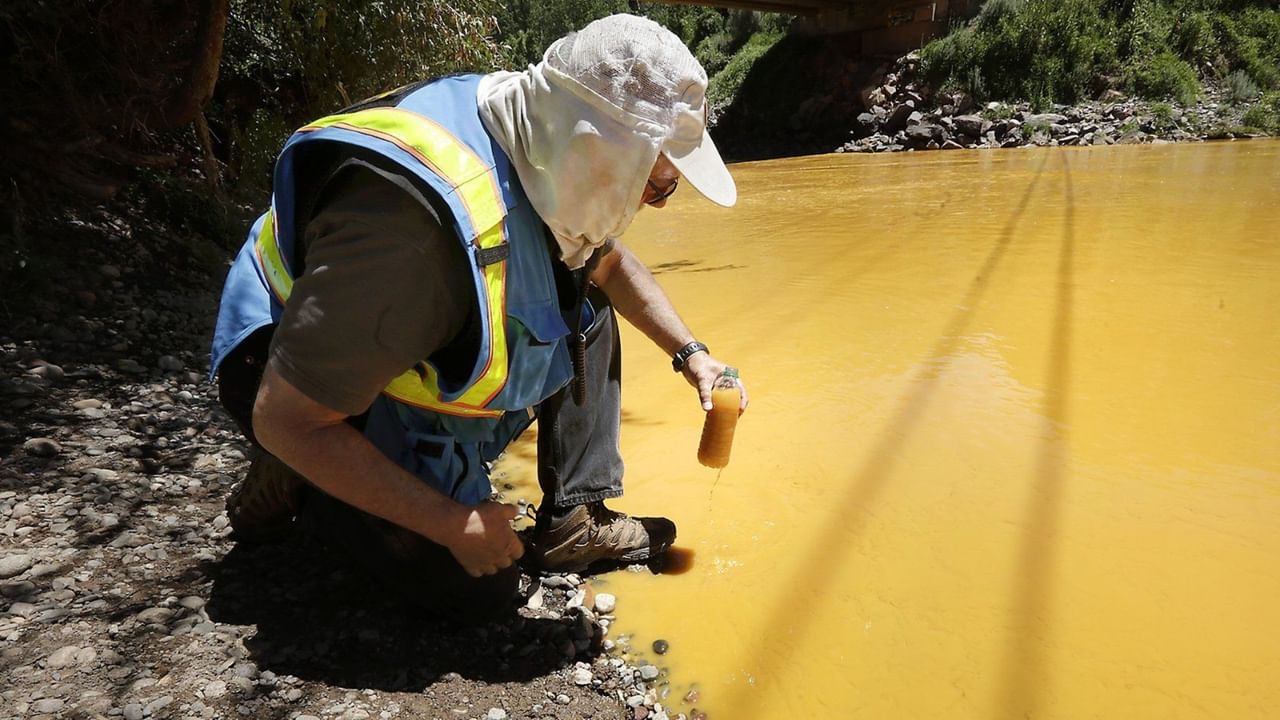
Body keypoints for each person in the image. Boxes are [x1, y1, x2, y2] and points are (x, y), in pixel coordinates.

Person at [209, 14, 748, 620]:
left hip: (384, 337)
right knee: (476, 591)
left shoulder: (543, 137)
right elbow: (286, 418)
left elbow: (608, 268)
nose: (656, 202)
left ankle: (573, 517)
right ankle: (301, 483)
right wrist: (452, 522)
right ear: (603, 162)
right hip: (296, 376)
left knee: (585, 305)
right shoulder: (408, 243)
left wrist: (692, 355)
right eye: (657, 188)